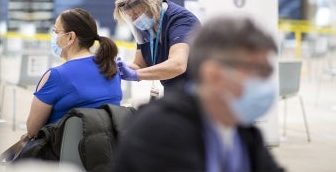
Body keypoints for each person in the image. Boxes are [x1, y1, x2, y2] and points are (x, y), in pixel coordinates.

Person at [111, 15, 285, 172]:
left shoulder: (242, 132)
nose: (265, 81)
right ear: (213, 74)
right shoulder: (160, 130)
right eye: (258, 71)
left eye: (268, 71)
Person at [26, 8, 122, 138]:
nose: (53, 36)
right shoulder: (112, 68)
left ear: (70, 37)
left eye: (56, 31)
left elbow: (32, 130)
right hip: (105, 154)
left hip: (60, 156)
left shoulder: (56, 75)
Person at [113, 0, 201, 98]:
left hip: (199, 94)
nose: (134, 20)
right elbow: (140, 65)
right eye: (130, 16)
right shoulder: (145, 27)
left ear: (152, 3)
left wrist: (136, 74)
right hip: (174, 94)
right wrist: (118, 69)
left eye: (136, 13)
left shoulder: (181, 21)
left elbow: (178, 65)